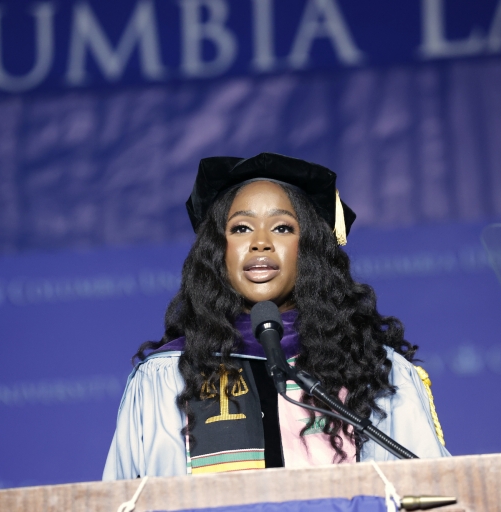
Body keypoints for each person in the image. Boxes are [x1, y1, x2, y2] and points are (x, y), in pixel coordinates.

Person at [103, 153, 449, 480]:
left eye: (282, 228)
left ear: (310, 250)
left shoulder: (372, 372)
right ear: (218, 251)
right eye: (240, 228)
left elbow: (429, 491)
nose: (260, 243)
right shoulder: (168, 378)